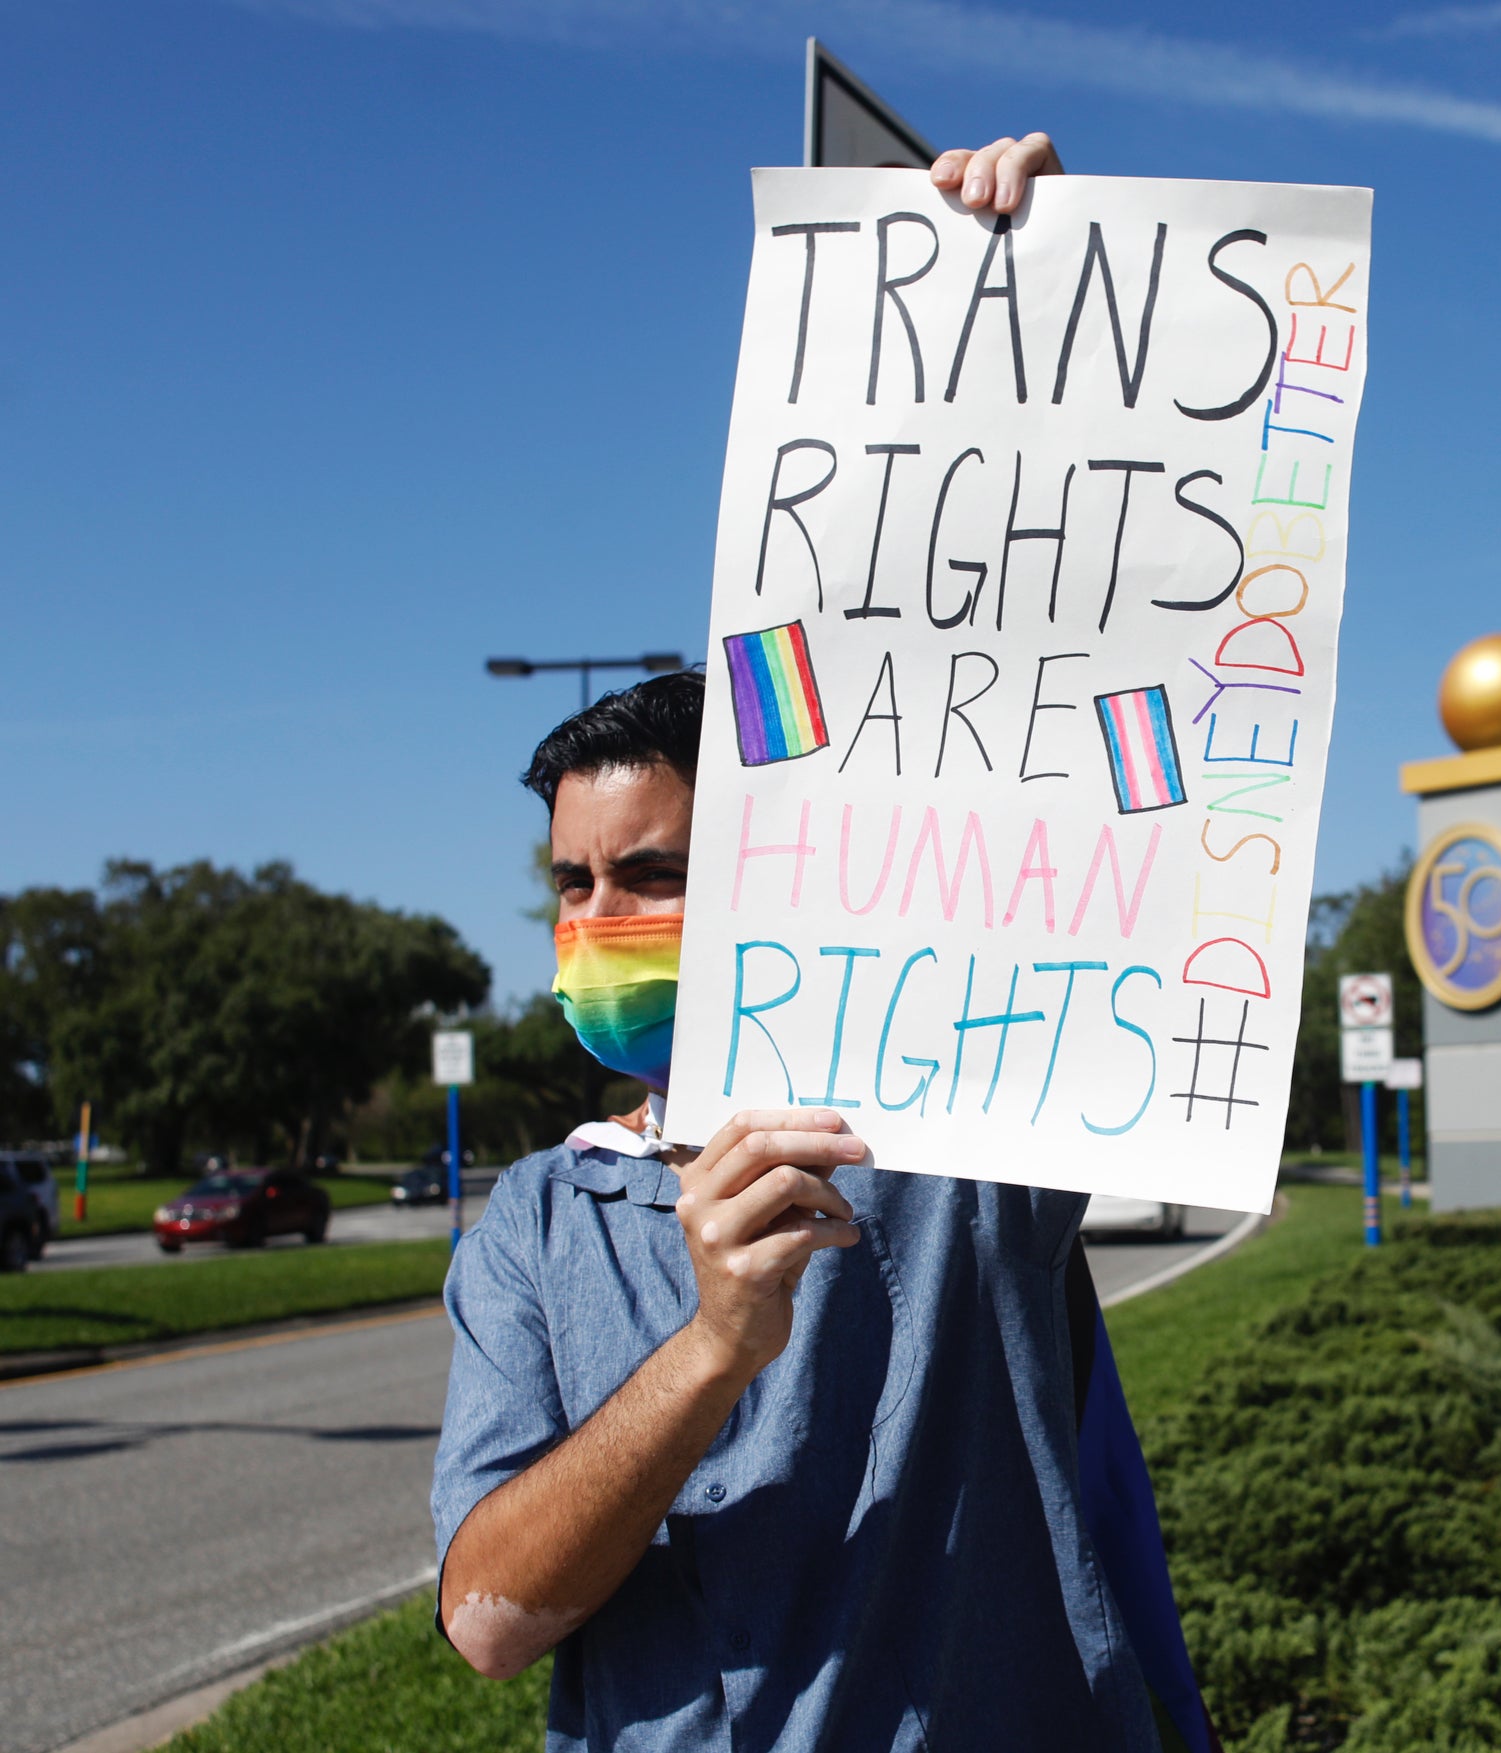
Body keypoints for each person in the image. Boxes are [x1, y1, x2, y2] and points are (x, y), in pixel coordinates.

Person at [432, 135, 1209, 1753]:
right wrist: (715, 1342)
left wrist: (1023, 303)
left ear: (784, 867)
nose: (594, 925)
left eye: (645, 873)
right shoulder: (541, 1219)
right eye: (569, 886)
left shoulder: (958, 1123)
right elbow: (493, 1618)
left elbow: (1123, 774)